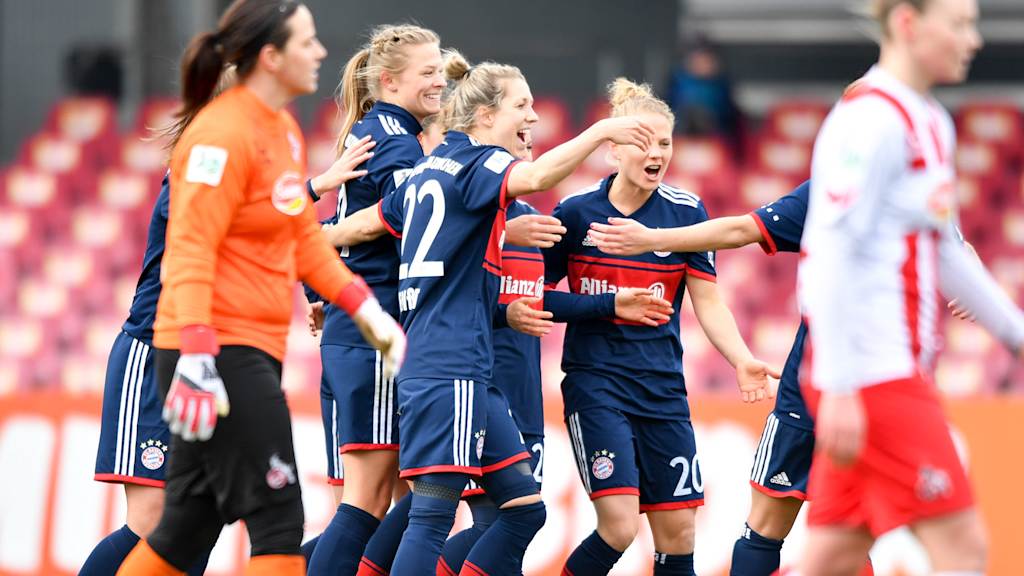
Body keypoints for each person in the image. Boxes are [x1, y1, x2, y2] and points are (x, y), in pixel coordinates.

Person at [323, 51, 655, 575]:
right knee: (429, 517)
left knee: (523, 508)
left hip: (459, 367)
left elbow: (363, 225)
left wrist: (313, 242)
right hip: (449, 365)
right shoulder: (480, 163)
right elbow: (538, 176)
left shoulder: (427, 169)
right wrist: (600, 132)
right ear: (484, 116)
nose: (533, 116)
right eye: (521, 106)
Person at [116, 2, 404, 575]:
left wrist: (362, 307)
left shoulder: (282, 131)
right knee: (278, 517)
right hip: (219, 349)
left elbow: (301, 239)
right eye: (308, 41)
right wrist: (198, 353)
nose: (321, 52)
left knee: (187, 526)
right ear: (271, 57)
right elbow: (190, 248)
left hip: (244, 346)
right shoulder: (219, 135)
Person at [798, 0, 1024, 573]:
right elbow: (829, 251)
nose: (973, 40)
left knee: (833, 556)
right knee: (964, 547)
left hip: (881, 374)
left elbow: (944, 249)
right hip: (875, 376)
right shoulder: (869, 120)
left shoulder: (931, 121)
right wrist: (841, 384)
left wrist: (1015, 334)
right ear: (907, 23)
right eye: (959, 25)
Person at [545, 78, 776, 576]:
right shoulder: (577, 214)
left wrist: (741, 359)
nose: (656, 153)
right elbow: (532, 296)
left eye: (665, 143)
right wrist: (607, 305)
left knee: (679, 535)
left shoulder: (686, 212)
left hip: (663, 390)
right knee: (619, 527)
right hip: (597, 384)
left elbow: (708, 301)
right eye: (642, 142)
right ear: (613, 150)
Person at [590, 181, 879, 576]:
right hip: (845, 383)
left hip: (850, 384)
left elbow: (743, 229)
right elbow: (743, 229)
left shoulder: (873, 186)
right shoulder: (866, 188)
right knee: (816, 528)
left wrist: (652, 239)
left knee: (809, 528)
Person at [303, 23, 446, 576]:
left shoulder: (378, 130)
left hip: (357, 328)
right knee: (368, 501)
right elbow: (411, 221)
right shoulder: (395, 140)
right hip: (373, 330)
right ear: (389, 80)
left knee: (382, 498)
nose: (439, 82)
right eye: (428, 72)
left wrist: (317, 288)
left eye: (440, 70)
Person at [80, 176, 210, 576]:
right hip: (156, 354)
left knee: (200, 521)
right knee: (150, 522)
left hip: (207, 363)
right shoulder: (199, 162)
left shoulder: (245, 163)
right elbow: (184, 260)